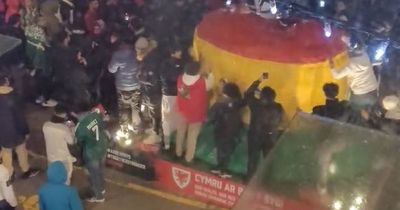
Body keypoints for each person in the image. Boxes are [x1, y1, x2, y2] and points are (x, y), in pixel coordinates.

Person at [0, 75, 40, 181]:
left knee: (6, 152)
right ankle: (25, 170)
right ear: (6, 82)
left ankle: (8, 174)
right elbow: (19, 117)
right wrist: (25, 130)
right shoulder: (13, 97)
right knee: (21, 150)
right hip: (15, 130)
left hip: (2, 132)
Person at [245, 73, 283, 180]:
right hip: (270, 137)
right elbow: (279, 120)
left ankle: (249, 181)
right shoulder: (278, 107)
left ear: (261, 96)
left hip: (255, 136)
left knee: (253, 160)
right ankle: (267, 182)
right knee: (268, 161)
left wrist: (259, 79)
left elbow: (248, 93)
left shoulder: (255, 105)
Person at [176, 61, 213, 163]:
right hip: (196, 114)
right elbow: (210, 86)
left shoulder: (180, 79)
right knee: (192, 137)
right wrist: (210, 74)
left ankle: (178, 153)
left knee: (180, 133)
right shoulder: (203, 82)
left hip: (182, 111)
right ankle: (188, 158)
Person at [329, 35, 378, 111]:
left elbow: (337, 75)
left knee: (358, 114)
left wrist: (331, 65)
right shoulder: (365, 56)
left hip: (360, 93)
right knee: (371, 113)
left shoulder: (351, 64)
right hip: (373, 90)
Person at [209, 81, 244, 178]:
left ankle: (218, 168)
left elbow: (211, 116)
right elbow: (243, 100)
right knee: (227, 152)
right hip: (232, 133)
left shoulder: (219, 104)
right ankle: (222, 170)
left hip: (219, 131)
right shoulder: (237, 103)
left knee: (220, 150)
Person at [75, 104, 109, 203]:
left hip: (91, 152)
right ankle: (102, 188)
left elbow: (78, 141)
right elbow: (103, 126)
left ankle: (99, 196)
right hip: (102, 147)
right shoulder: (95, 115)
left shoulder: (80, 126)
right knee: (101, 170)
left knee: (94, 175)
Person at [108, 36, 141, 132]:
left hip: (122, 86)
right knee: (135, 107)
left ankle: (124, 129)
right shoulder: (137, 53)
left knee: (123, 108)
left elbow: (111, 69)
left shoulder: (117, 55)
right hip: (136, 85)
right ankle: (136, 128)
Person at [136, 37, 163, 142]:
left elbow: (153, 80)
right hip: (151, 92)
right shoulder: (151, 57)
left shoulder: (150, 61)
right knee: (153, 112)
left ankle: (156, 134)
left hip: (153, 93)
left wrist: (140, 78)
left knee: (155, 113)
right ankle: (154, 130)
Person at [159, 44, 185, 150]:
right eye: (178, 52)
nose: (180, 53)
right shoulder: (179, 64)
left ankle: (167, 144)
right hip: (174, 94)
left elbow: (163, 78)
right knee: (175, 118)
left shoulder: (165, 64)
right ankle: (173, 144)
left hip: (169, 94)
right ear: (173, 53)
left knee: (167, 119)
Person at [42, 106, 76, 185]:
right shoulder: (63, 129)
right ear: (64, 116)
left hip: (51, 156)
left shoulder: (46, 125)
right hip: (63, 157)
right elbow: (71, 141)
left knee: (53, 176)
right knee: (66, 178)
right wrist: (72, 129)